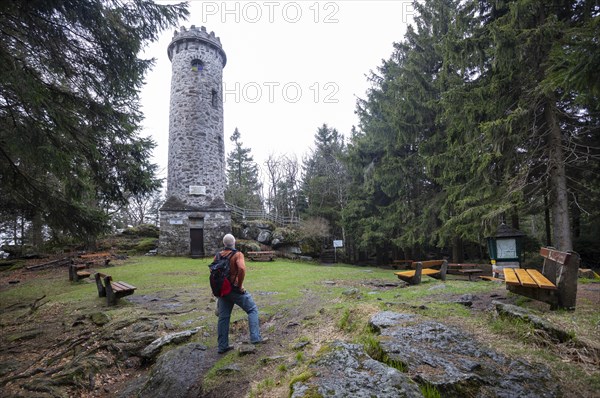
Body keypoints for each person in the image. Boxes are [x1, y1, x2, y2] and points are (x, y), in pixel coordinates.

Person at [216, 233, 266, 353]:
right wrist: (239, 285)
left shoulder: (218, 256)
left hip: (223, 291)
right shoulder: (237, 254)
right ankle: (255, 337)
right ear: (234, 243)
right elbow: (242, 269)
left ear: (224, 244)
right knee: (252, 309)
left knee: (223, 318)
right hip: (234, 289)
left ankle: (222, 346)